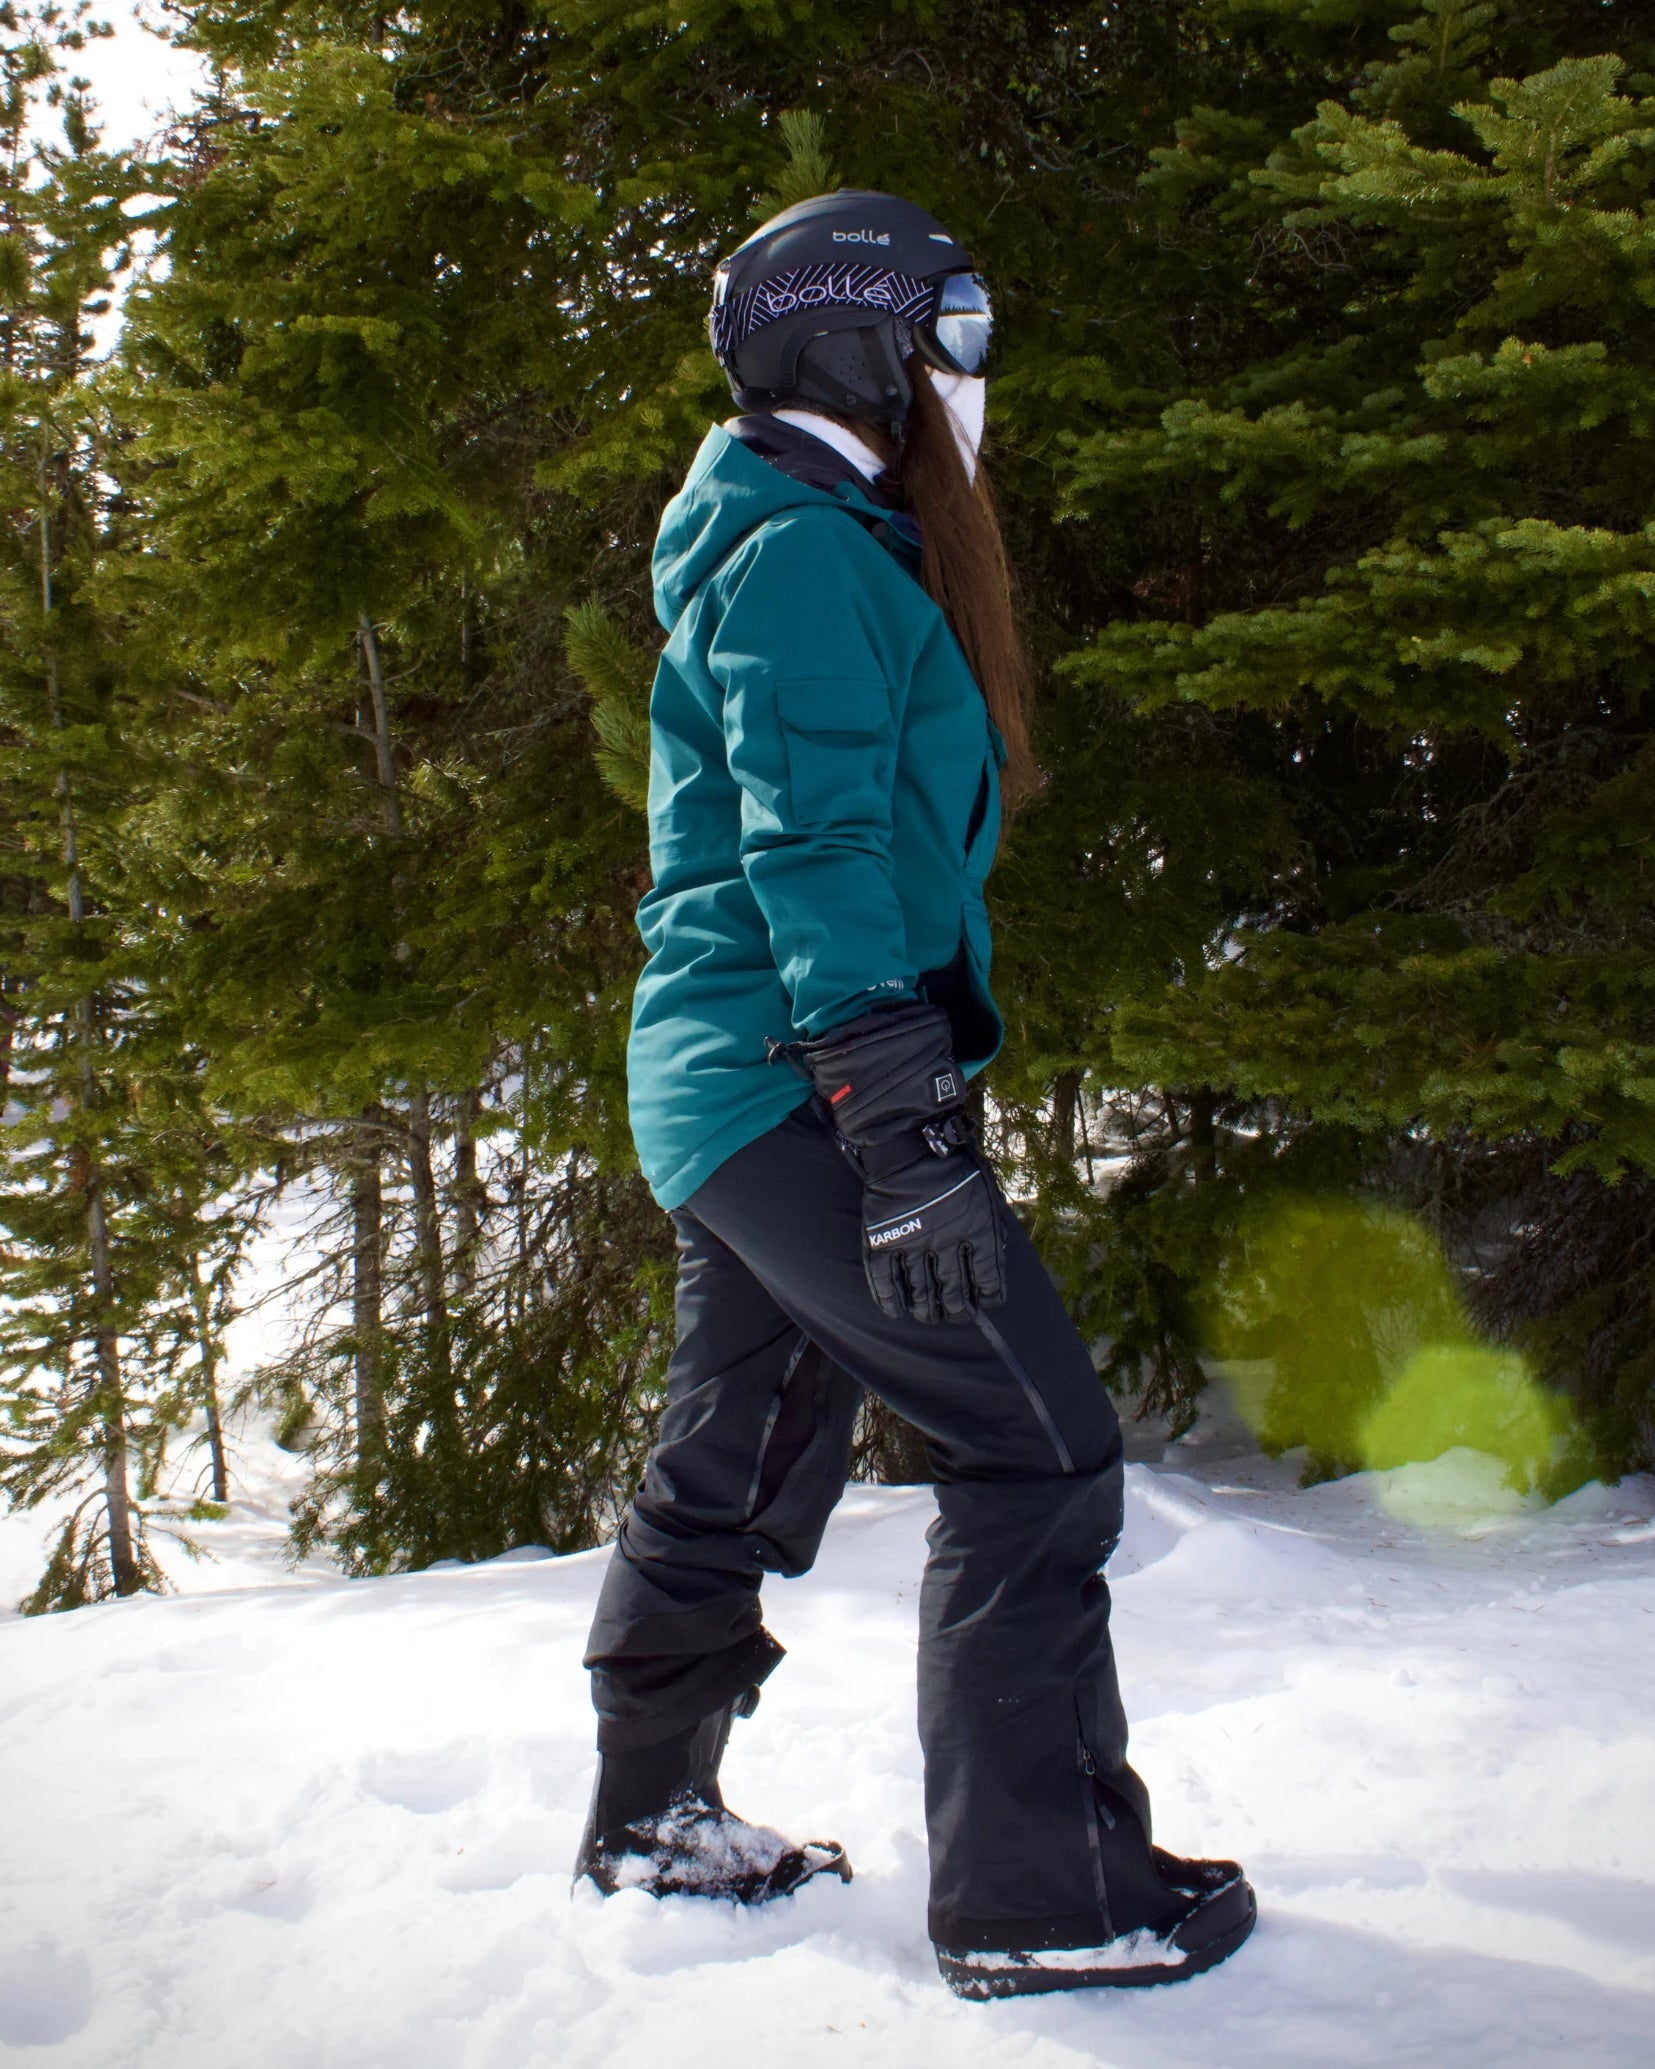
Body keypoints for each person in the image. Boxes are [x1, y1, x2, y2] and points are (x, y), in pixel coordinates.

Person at [573, 188, 1255, 1999]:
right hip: (796, 1079)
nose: (975, 378)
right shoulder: (799, 555)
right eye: (951, 337)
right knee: (1036, 1449)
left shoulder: (806, 536)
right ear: (853, 345)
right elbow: (815, 848)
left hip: (730, 1085)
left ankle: (649, 1816)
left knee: (731, 1450)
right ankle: (1041, 1893)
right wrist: (903, 1130)